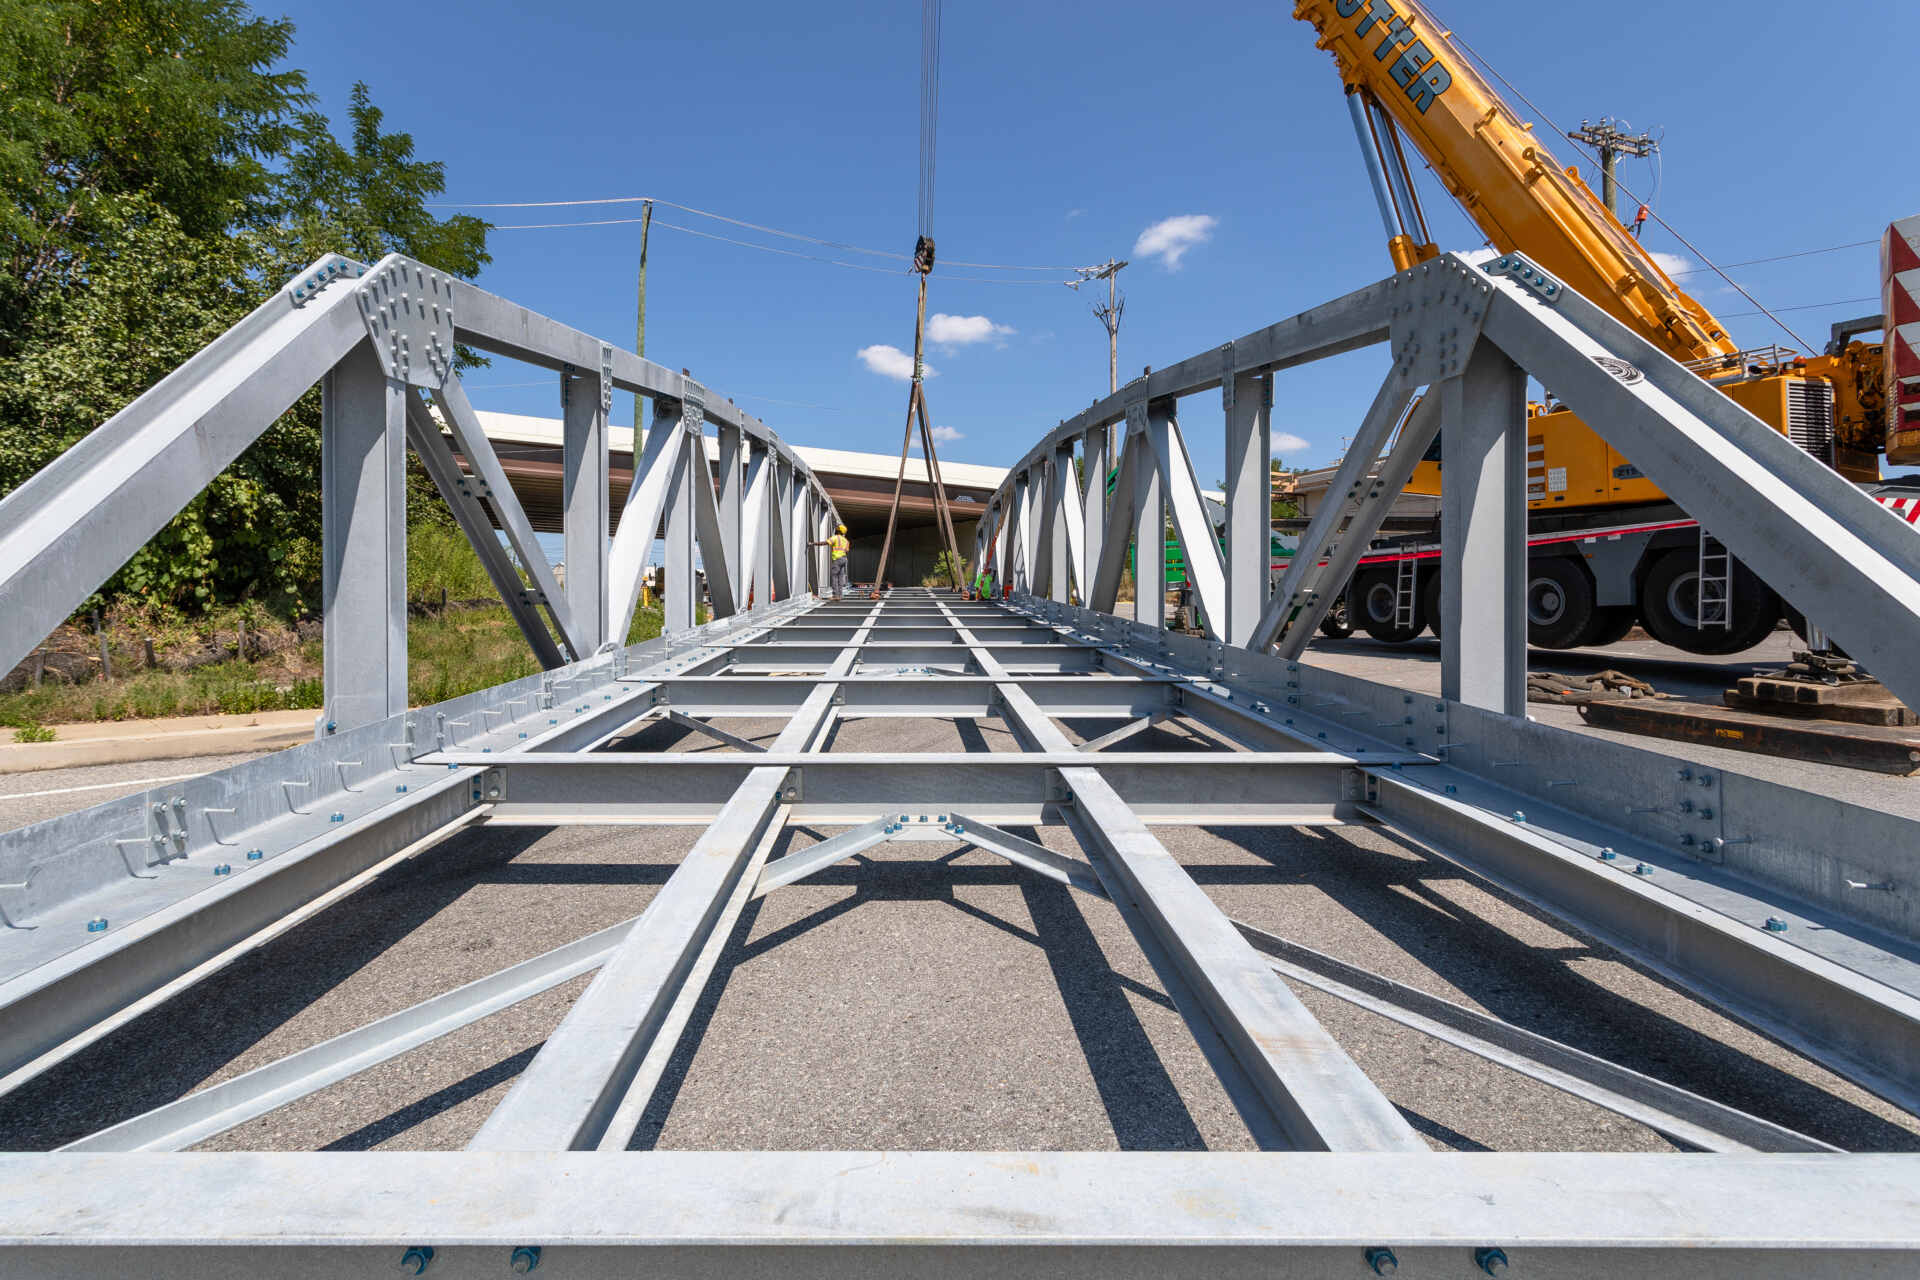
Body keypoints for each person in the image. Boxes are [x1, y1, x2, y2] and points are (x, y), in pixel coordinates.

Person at [809, 524, 852, 599]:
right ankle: (840, 595)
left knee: (834, 577)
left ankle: (835, 595)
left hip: (837, 559)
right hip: (844, 559)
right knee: (840, 577)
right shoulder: (846, 541)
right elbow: (847, 551)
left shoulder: (836, 537)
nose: (835, 530)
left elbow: (825, 543)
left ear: (838, 530)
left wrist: (813, 543)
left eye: (836, 529)